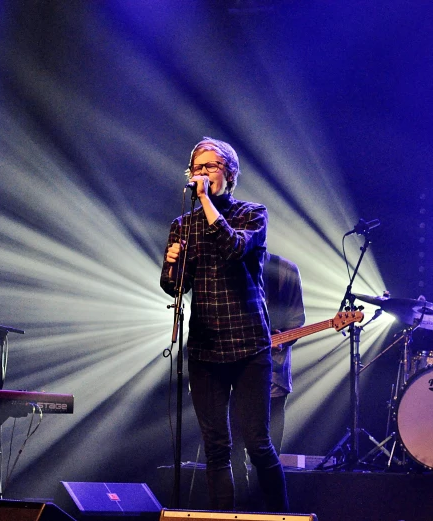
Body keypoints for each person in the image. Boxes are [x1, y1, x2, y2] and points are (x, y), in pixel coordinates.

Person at [160, 137, 289, 512]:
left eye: (210, 167)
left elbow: (234, 249)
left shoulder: (252, 213)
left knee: (257, 443)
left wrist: (204, 201)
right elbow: (174, 288)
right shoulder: (182, 225)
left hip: (249, 346)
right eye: (196, 168)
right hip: (205, 348)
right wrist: (171, 264)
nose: (201, 174)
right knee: (216, 448)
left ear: (229, 174)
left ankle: (283, 517)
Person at [230, 253, 305, 511]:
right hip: (231, 375)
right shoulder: (230, 263)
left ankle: (271, 514)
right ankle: (237, 511)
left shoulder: (286, 270)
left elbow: (297, 320)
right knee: (232, 452)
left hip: (272, 378)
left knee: (266, 451)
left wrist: (283, 336)